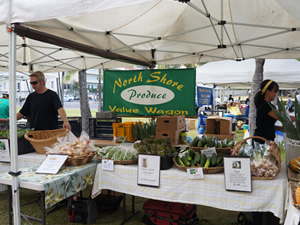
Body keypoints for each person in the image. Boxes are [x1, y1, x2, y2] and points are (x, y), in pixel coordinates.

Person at [0, 71, 71, 131]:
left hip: (50, 133)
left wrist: (65, 121)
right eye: (31, 83)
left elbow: (60, 109)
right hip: (35, 133)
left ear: (42, 82)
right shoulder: (31, 97)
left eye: (35, 83)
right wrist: (8, 120)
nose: (33, 85)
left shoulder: (52, 95)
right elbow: (22, 113)